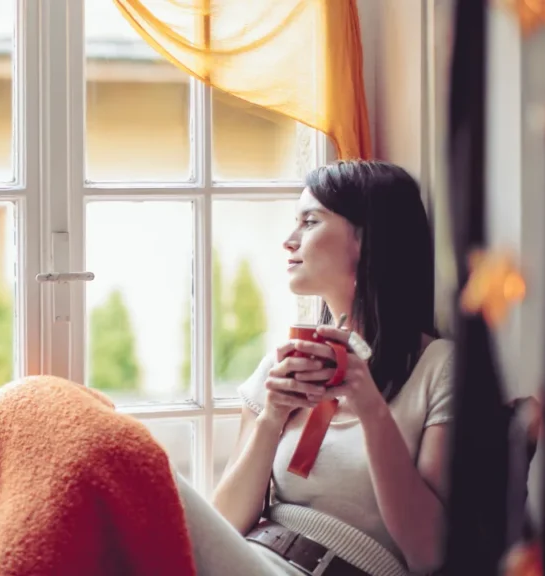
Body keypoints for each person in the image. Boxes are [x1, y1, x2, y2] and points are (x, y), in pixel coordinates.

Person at [181, 160, 453, 576]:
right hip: (254, 557)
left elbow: (429, 554)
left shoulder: (438, 368)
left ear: (367, 238)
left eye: (310, 221)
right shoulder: (283, 366)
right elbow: (224, 526)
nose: (289, 241)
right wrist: (272, 417)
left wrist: (370, 406)